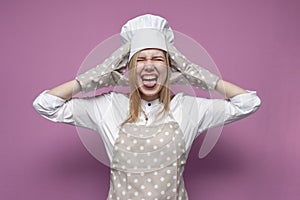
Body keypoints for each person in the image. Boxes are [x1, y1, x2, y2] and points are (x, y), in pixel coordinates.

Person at [33, 14, 261, 200]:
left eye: (158, 59)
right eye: (140, 60)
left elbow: (248, 103)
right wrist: (99, 77)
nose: (149, 66)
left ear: (171, 67)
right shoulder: (108, 106)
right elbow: (46, 104)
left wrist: (193, 75)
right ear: (128, 68)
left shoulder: (190, 108)